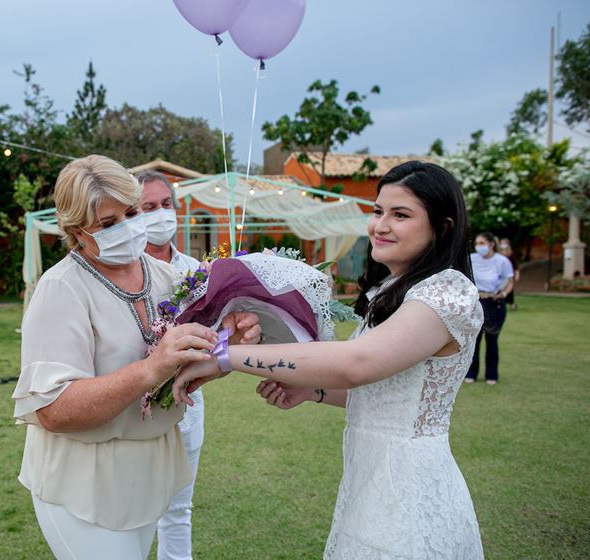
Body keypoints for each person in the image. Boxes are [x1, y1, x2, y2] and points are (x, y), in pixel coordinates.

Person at [172, 161, 486, 559]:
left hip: (410, 490)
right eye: (378, 212)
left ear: (442, 227)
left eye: (400, 215)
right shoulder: (394, 292)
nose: (380, 226)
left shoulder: (447, 293)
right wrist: (313, 391)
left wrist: (224, 355)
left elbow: (357, 362)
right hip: (368, 483)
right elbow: (386, 392)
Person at [12, 155, 259, 560]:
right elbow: (53, 411)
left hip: (148, 476)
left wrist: (230, 338)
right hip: (85, 485)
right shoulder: (61, 290)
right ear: (77, 232)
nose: (127, 227)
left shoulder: (169, 278)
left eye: (130, 212)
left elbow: (192, 362)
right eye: (108, 224)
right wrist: (149, 369)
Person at [136, 170, 207, 560]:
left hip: (189, 408)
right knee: (139, 510)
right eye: (149, 207)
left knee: (179, 510)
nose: (161, 214)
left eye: (166, 205)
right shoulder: (126, 269)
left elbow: (214, 335)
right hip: (138, 409)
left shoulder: (196, 269)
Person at [464, 232, 514, 385]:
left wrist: (503, 294)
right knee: (474, 340)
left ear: (491, 245)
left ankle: (491, 375)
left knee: (492, 340)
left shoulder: (502, 261)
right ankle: (471, 373)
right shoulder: (471, 259)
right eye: (477, 243)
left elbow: (510, 280)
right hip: (476, 301)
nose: (479, 246)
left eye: (482, 243)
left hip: (494, 302)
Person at [498, 238, 519, 310]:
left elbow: (515, 266)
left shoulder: (511, 255)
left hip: (509, 275)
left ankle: (512, 304)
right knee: (501, 288)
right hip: (501, 276)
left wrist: (517, 275)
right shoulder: (498, 255)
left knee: (510, 290)